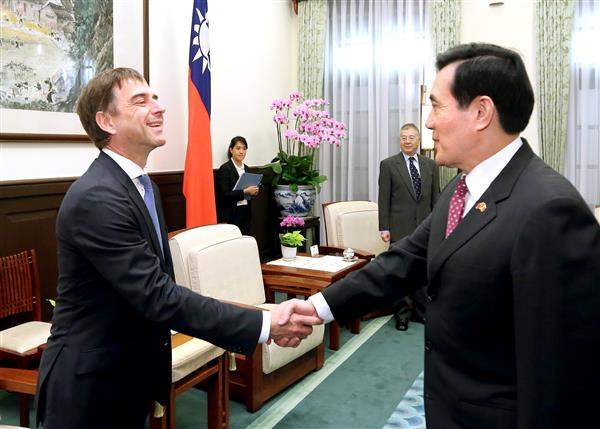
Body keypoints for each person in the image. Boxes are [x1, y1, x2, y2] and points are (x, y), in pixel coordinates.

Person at [278, 43, 600, 428]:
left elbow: (559, 375)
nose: (428, 123)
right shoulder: (460, 188)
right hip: (446, 407)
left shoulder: (550, 210)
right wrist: (317, 307)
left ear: (481, 112)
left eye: (436, 106)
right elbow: (403, 262)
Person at [35, 68, 319, 429]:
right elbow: (158, 295)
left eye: (155, 98)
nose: (159, 107)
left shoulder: (144, 187)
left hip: (129, 375)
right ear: (106, 121)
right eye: (140, 101)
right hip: (90, 387)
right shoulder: (97, 197)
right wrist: (264, 322)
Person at [378, 123, 439, 330]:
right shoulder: (388, 165)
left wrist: (438, 224)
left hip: (425, 227)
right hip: (398, 227)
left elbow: (436, 198)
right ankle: (402, 315)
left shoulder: (431, 165)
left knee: (423, 270)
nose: (407, 141)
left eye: (411, 137)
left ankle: (421, 312)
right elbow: (383, 199)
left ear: (418, 140)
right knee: (400, 272)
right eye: (403, 137)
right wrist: (384, 227)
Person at [215, 136, 259, 235]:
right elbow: (224, 195)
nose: (241, 152)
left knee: (245, 239)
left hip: (245, 212)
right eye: (238, 148)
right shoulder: (225, 169)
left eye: (244, 149)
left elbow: (250, 193)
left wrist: (254, 191)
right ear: (231, 150)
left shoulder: (247, 168)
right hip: (231, 214)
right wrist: (245, 191)